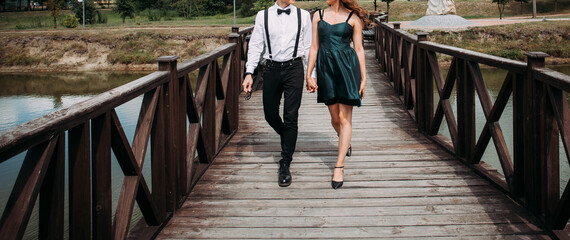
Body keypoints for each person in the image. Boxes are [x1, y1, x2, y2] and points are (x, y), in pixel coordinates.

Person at [242, 0, 313, 187]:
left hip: (294, 68)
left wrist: (311, 75)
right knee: (270, 114)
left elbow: (309, 47)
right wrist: (249, 72)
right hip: (271, 68)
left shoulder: (303, 15)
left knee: (291, 115)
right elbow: (256, 45)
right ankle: (287, 135)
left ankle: (285, 163)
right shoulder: (262, 16)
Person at [305, 0, 370, 189]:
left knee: (344, 118)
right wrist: (309, 74)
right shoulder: (318, 15)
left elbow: (358, 49)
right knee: (334, 119)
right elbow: (314, 47)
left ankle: (339, 167)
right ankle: (345, 141)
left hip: (348, 69)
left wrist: (364, 78)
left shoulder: (353, 18)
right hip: (326, 69)